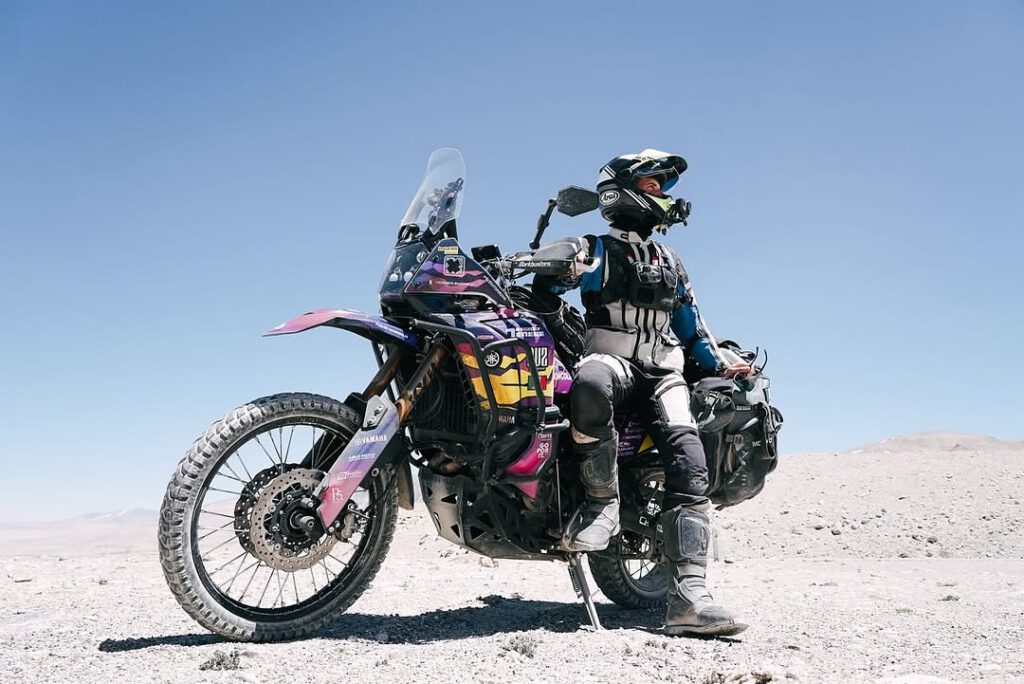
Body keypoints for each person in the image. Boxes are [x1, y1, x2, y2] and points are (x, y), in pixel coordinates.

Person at [539, 150, 751, 637]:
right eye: (655, 186)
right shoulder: (593, 249)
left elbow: (693, 328)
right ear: (623, 191)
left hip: (663, 372)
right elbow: (546, 291)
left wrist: (722, 361)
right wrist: (557, 271)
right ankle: (601, 505)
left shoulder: (671, 261)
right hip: (610, 361)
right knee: (589, 384)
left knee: (690, 459)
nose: (664, 196)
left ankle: (690, 595)